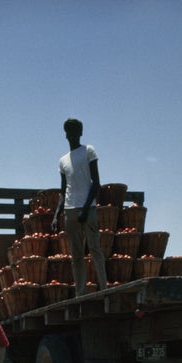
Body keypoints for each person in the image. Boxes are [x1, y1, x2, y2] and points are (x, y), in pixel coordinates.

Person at [52, 117, 108, 296]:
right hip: (70, 209)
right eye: (69, 131)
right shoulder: (63, 161)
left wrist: (85, 209)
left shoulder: (88, 151)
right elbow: (63, 189)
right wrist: (57, 214)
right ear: (66, 135)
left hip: (88, 208)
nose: (72, 135)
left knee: (94, 248)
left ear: (80, 133)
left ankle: (104, 288)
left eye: (75, 131)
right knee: (76, 255)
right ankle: (81, 293)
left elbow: (96, 182)